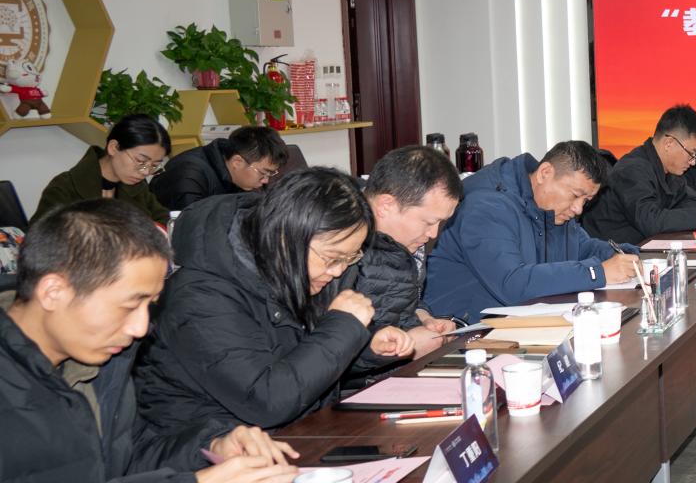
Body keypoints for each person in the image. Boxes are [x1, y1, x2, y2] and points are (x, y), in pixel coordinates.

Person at [0, 201, 300, 483]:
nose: (140, 328)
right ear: (54, 291)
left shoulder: (100, 362)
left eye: (149, 306)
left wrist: (212, 445)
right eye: (130, 305)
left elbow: (125, 460)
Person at [135, 168, 413, 433]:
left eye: (350, 258)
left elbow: (302, 361)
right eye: (332, 258)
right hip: (215, 450)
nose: (339, 271)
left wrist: (364, 345)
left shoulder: (294, 270)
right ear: (284, 238)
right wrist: (342, 328)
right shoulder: (200, 297)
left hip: (295, 435)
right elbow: (268, 400)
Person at [423, 141, 639, 324]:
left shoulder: (550, 207)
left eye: (586, 200)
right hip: (463, 334)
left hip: (519, 324)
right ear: (545, 173)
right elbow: (513, 284)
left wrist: (622, 255)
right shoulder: (487, 206)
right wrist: (596, 273)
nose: (578, 209)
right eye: (575, 195)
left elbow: (581, 247)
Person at [351, 145, 464, 360]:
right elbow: (328, 348)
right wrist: (403, 349)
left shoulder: (406, 238)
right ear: (386, 206)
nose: (433, 234)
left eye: (440, 223)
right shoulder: (339, 248)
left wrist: (423, 318)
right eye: (428, 222)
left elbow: (404, 300)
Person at [582, 105, 696, 244]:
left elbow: (692, 201)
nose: (693, 162)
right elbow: (651, 222)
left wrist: (671, 217)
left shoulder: (670, 170)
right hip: (614, 255)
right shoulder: (633, 170)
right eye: (692, 153)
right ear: (669, 144)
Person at [32, 113, 170, 224]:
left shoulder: (139, 188)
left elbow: (166, 222)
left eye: (154, 165)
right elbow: (41, 239)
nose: (145, 172)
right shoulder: (65, 187)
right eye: (141, 161)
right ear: (113, 148)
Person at [151, 124, 287, 211]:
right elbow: (192, 229)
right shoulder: (189, 176)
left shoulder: (240, 175)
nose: (266, 180)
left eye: (270, 174)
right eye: (263, 173)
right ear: (237, 162)